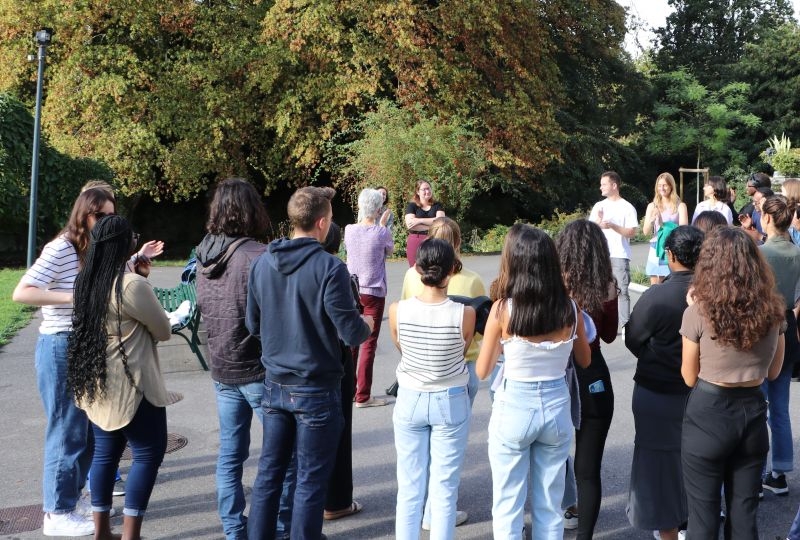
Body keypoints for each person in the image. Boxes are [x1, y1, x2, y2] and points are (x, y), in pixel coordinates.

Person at [245, 186, 373, 540]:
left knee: (270, 474)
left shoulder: (262, 263)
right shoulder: (330, 267)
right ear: (321, 223)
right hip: (316, 387)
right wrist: (368, 326)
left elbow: (253, 325)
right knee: (309, 480)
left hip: (275, 383)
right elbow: (351, 332)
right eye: (330, 219)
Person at [12, 187, 117, 537]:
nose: (104, 222)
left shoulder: (93, 248)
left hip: (84, 344)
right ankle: (56, 513)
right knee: (66, 430)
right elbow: (22, 292)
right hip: (59, 344)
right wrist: (73, 297)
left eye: (110, 216)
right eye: (99, 215)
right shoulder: (61, 248)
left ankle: (73, 499)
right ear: (84, 214)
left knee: (86, 430)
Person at [477, 224, 590, 538]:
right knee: (550, 506)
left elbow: (482, 370)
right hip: (556, 406)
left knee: (508, 506)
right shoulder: (569, 309)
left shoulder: (502, 310)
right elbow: (584, 360)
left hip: (514, 405)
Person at [67, 215, 172, 540]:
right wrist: (140, 280)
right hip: (134, 387)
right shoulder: (130, 285)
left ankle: (101, 532)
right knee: (147, 453)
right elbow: (163, 330)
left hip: (98, 385)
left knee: (105, 455)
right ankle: (131, 534)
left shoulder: (85, 281)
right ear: (124, 244)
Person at [195, 178, 288, 540]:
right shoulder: (258, 256)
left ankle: (235, 530)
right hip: (258, 369)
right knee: (283, 455)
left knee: (230, 456)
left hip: (221, 366)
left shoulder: (202, 253)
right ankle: (278, 528)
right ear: (253, 210)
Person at [680, 226, 786, 538]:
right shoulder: (774, 311)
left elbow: (688, 376)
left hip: (708, 411)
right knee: (744, 515)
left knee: (703, 517)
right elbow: (775, 373)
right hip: (752, 412)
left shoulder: (698, 311)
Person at [399, 216, 485, 530]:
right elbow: (468, 341)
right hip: (456, 378)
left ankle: (421, 517)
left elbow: (401, 339)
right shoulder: (470, 290)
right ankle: (435, 514)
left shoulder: (404, 292)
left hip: (412, 382)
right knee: (446, 477)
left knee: (408, 485)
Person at [624, 226, 704, 540]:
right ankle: (693, 527)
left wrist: (655, 353)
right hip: (702, 391)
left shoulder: (657, 295)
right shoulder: (714, 293)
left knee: (657, 466)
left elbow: (632, 338)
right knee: (699, 463)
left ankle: (668, 530)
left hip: (656, 390)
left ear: (669, 256)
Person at [554, 219, 618, 539]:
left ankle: (547, 527)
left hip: (555, 376)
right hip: (593, 377)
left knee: (549, 461)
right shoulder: (606, 283)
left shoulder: (552, 283)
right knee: (588, 471)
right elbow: (607, 335)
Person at [758, 195, 800, 497]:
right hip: (787, 322)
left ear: (768, 218)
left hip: (760, 326)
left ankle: (756, 470)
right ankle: (780, 472)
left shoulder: (759, 253)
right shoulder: (798, 252)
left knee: (756, 406)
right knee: (781, 407)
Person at [322, 223, 363, 522]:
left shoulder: (277, 264)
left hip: (290, 366)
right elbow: (351, 330)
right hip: (334, 361)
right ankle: (337, 501)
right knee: (338, 432)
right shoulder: (337, 271)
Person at [344, 188, 394, 408]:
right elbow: (389, 251)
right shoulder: (381, 232)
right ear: (378, 208)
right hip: (373, 292)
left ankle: (350, 390)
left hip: (352, 290)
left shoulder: (349, 230)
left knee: (352, 341)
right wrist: (382, 226)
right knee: (368, 343)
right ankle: (363, 396)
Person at [589, 171, 637, 329]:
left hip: (619, 255)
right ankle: (599, 324)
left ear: (614, 185)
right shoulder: (599, 206)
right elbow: (589, 229)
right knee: (598, 290)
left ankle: (625, 327)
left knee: (622, 291)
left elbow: (631, 232)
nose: (600, 187)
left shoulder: (627, 207)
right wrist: (598, 222)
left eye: (604, 184)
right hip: (600, 255)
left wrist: (612, 226)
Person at [642, 173, 688, 284]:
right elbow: (645, 232)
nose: (662, 188)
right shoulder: (652, 206)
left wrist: (663, 224)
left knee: (671, 282)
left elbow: (683, 231)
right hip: (656, 247)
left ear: (671, 186)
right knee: (655, 284)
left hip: (672, 248)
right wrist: (652, 220)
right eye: (659, 185)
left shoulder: (680, 206)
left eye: (665, 185)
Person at [404, 180, 445, 267]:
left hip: (434, 240)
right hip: (416, 240)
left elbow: (441, 221)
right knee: (415, 269)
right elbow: (410, 226)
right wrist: (433, 225)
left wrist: (419, 220)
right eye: (424, 189)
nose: (427, 191)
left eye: (429, 188)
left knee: (433, 268)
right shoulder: (412, 206)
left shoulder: (437, 205)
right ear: (418, 192)